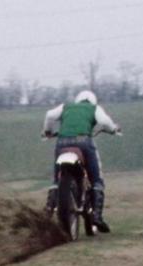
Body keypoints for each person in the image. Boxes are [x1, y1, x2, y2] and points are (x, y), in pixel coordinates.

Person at [42, 90, 120, 233]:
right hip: (84, 142)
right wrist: (113, 129)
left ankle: (48, 209)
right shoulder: (94, 108)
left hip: (62, 143)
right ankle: (97, 216)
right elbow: (104, 122)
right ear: (93, 101)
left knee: (55, 179)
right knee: (97, 180)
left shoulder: (66, 106)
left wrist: (48, 131)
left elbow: (49, 115)